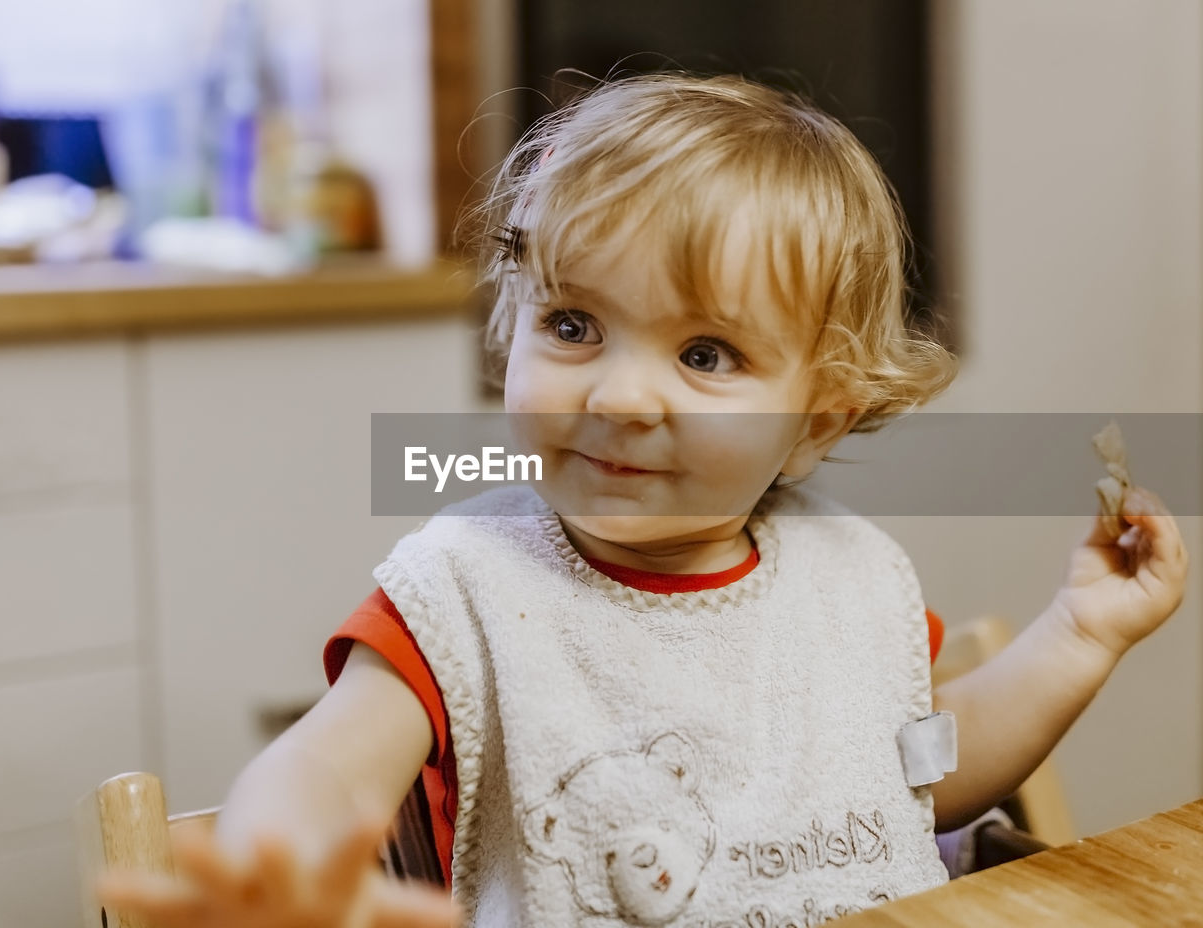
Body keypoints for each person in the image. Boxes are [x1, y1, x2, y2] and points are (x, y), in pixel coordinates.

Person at [99, 72, 1187, 927]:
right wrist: (283, 869)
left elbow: (918, 781)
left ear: (814, 423)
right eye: (571, 325)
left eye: (705, 353)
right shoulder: (468, 588)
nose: (619, 394)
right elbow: (326, 767)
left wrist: (1079, 633)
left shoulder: (851, 578)